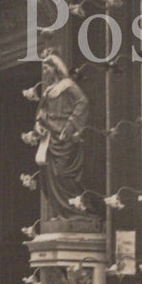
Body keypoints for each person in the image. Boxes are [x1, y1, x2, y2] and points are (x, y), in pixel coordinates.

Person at [29, 54, 92, 220]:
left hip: (64, 138)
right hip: (49, 138)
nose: (44, 71)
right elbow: (41, 111)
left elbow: (82, 102)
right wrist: (38, 125)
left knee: (62, 174)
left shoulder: (68, 85)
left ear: (55, 68)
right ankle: (61, 212)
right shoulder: (49, 89)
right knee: (47, 176)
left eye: (46, 67)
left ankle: (76, 212)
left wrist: (70, 126)